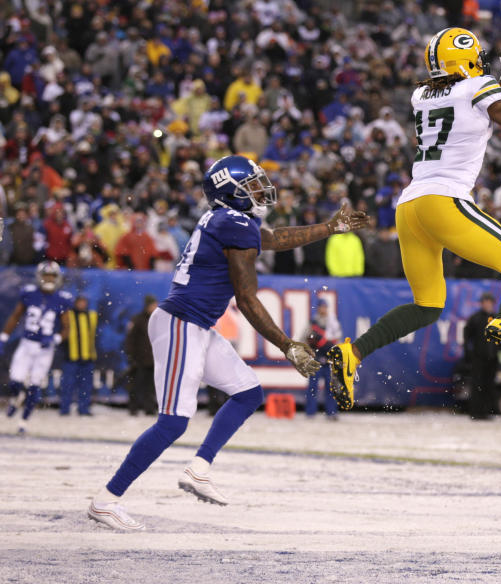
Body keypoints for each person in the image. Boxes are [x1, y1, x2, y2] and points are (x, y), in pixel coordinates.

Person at [88, 155, 367, 531]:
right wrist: (287, 344)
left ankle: (200, 468)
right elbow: (248, 298)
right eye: (251, 184)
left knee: (248, 391)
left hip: (196, 325)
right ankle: (107, 500)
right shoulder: (233, 224)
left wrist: (330, 228)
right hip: (181, 324)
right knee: (172, 423)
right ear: (230, 192)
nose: (259, 189)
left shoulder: (230, 221)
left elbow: (273, 238)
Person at [326, 29, 501, 411]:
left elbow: (477, 101)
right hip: (444, 200)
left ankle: (353, 353)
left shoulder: (423, 94)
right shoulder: (476, 86)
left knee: (427, 305)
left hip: (410, 206)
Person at [2, 261, 73, 434]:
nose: (49, 279)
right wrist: (3, 336)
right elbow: (15, 316)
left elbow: (67, 328)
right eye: (46, 275)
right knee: (15, 381)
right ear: (39, 277)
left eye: (52, 276)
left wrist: (55, 339)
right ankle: (16, 397)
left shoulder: (62, 298)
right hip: (27, 344)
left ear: (57, 278)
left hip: (44, 349)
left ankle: (23, 422)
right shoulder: (29, 293)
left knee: (35, 386)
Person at [462, 292, 501, 420]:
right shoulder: (475, 318)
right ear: (481, 304)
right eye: (485, 302)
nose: (487, 305)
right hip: (478, 358)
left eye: (489, 302)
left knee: (489, 385)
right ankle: (475, 412)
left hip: (493, 359)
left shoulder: (497, 320)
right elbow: (467, 338)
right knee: (477, 385)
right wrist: (469, 355)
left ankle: (487, 412)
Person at [60, 295, 98, 416]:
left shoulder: (92, 315)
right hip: (71, 357)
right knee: (68, 384)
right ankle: (65, 408)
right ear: (75, 303)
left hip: (87, 357)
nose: (82, 305)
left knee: (86, 385)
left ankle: (83, 408)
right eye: (80, 302)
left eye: (84, 302)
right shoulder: (68, 315)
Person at [304, 300, 343, 420]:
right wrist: (310, 345)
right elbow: (304, 338)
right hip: (315, 359)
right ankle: (310, 413)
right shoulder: (313, 322)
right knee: (312, 387)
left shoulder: (333, 322)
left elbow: (338, 340)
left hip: (328, 360)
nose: (323, 309)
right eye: (321, 307)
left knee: (331, 387)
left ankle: (331, 412)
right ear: (318, 308)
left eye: (325, 307)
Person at [125, 295, 158, 416]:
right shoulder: (137, 319)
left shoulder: (157, 320)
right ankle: (133, 408)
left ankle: (149, 408)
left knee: (150, 387)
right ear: (147, 306)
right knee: (136, 385)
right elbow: (130, 339)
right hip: (139, 359)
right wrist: (131, 356)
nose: (155, 307)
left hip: (153, 360)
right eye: (153, 305)